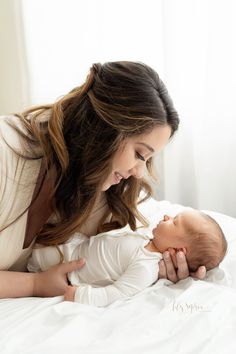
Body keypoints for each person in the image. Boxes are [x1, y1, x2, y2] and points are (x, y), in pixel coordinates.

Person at [0, 61, 203, 300]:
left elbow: (118, 253)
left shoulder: (98, 185)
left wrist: (161, 263)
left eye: (146, 161)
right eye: (139, 154)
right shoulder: (6, 155)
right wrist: (33, 284)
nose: (139, 173)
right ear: (104, 131)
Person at [27, 209, 227, 307]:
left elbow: (116, 293)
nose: (167, 216)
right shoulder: (148, 239)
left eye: (174, 222)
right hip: (75, 245)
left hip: (65, 266)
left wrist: (80, 296)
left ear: (179, 250)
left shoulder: (146, 268)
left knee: (33, 253)